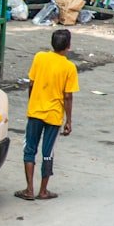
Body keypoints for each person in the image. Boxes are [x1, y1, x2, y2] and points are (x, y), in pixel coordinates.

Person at [15, 28, 79, 201]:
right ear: (68, 46)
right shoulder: (69, 67)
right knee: (47, 152)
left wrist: (32, 104)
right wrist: (69, 120)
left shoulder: (39, 57)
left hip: (35, 112)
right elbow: (68, 96)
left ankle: (29, 189)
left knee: (29, 150)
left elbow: (31, 84)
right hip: (54, 115)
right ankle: (43, 191)